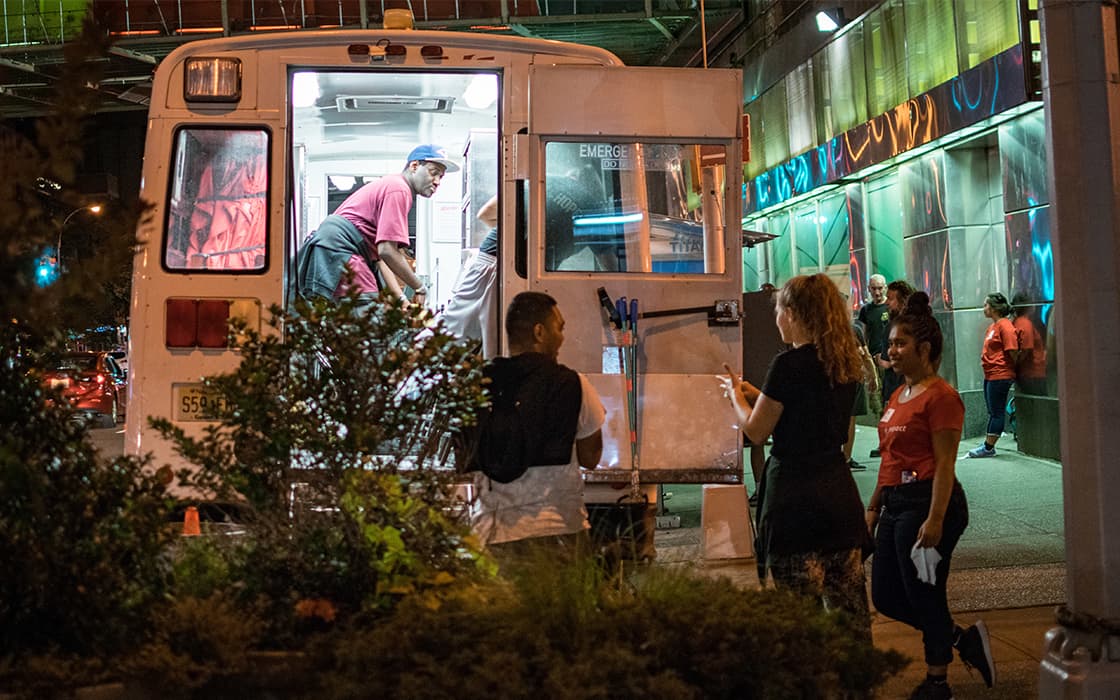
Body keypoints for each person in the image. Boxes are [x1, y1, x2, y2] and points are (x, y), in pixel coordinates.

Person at [718, 273, 869, 633]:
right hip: (839, 497)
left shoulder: (787, 365)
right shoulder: (843, 363)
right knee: (851, 618)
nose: (777, 319)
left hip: (795, 503)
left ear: (797, 313)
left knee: (802, 622)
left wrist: (734, 397)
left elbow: (756, 430)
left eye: (780, 310)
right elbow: (804, 409)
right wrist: (758, 394)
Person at [866, 292, 996, 699]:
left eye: (900, 344)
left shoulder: (942, 397)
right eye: (890, 343)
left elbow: (945, 464)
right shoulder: (897, 396)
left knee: (926, 593)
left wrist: (936, 518)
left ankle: (938, 683)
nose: (892, 350)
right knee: (885, 595)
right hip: (895, 504)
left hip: (929, 504)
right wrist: (873, 507)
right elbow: (889, 457)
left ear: (925, 349)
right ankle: (961, 640)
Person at [470, 292, 606, 560]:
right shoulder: (572, 384)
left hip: (490, 533)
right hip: (558, 530)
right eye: (560, 328)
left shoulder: (478, 384)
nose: (563, 337)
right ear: (540, 332)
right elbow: (591, 457)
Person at [295, 144, 457, 307]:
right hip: (339, 249)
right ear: (414, 166)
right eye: (433, 173)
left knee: (365, 310)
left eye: (441, 177)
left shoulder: (393, 186)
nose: (437, 182)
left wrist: (401, 299)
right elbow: (387, 251)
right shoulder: (399, 189)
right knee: (367, 310)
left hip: (335, 249)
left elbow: (380, 257)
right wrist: (419, 287)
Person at [441, 194, 499, 357]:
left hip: (492, 263)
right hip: (492, 264)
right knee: (455, 337)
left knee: (457, 334)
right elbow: (486, 213)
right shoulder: (545, 183)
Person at [968, 292, 1019, 458]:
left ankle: (988, 447)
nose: (984, 308)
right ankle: (989, 443)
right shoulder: (993, 326)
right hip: (990, 374)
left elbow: (1012, 350)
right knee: (993, 411)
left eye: (986, 305)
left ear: (994, 308)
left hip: (1000, 374)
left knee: (997, 412)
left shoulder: (1005, 326)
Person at [871, 279, 916, 458]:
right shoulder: (907, 323)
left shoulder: (899, 326)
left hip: (900, 384)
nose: (887, 302)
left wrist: (884, 361)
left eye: (891, 298)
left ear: (903, 300)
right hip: (900, 383)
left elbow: (892, 359)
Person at [857, 274, 890, 414]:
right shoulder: (866, 310)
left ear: (885, 288)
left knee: (890, 395)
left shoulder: (890, 307)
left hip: (888, 359)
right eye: (874, 288)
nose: (877, 292)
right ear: (869, 289)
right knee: (876, 401)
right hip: (873, 360)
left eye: (880, 288)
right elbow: (863, 335)